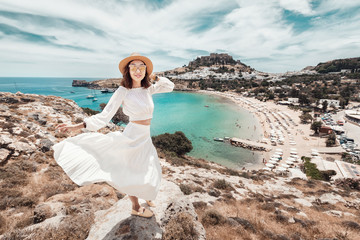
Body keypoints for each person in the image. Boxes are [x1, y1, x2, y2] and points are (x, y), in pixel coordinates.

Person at [52, 52, 175, 218]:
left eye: (142, 67)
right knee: (128, 169)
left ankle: (147, 194)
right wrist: (77, 126)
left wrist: (155, 76)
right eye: (134, 67)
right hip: (132, 135)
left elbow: (170, 86)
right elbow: (105, 115)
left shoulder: (148, 89)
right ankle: (135, 206)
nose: (138, 70)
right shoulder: (123, 91)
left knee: (150, 166)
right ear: (127, 71)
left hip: (145, 136)